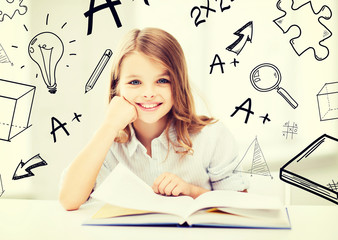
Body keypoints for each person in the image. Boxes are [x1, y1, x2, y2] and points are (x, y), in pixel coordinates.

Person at [59, 27, 248, 211]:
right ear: (117, 87)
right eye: (135, 82)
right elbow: (69, 200)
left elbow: (241, 204)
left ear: (179, 84)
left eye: (162, 81)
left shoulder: (212, 136)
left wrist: (191, 192)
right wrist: (109, 125)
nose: (149, 93)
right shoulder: (107, 140)